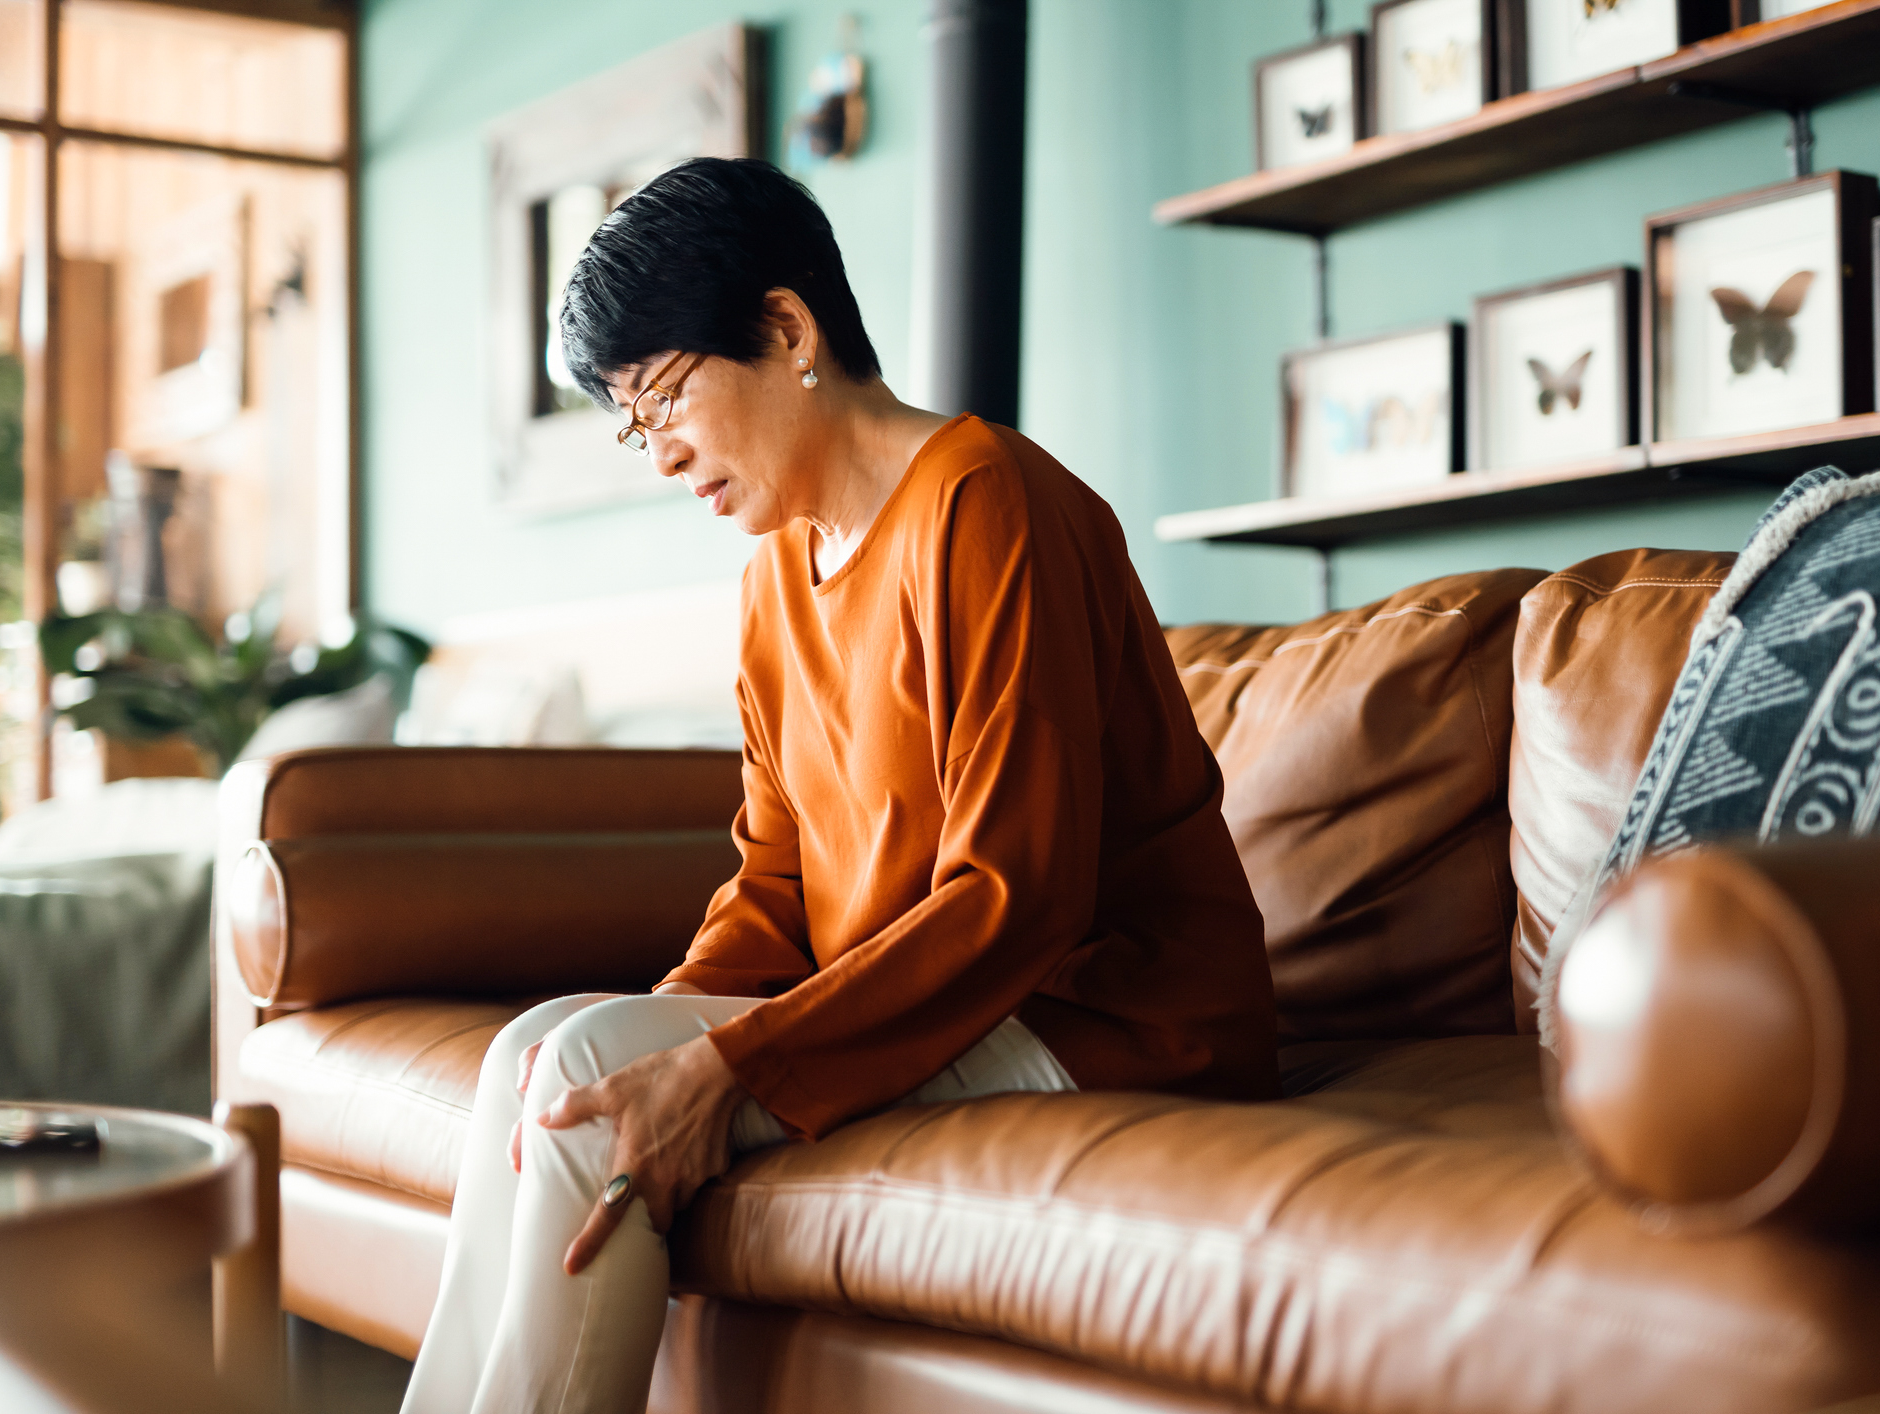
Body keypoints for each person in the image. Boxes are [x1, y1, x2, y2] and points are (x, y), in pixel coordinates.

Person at [399, 157, 1277, 1414]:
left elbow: (1016, 896)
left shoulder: (990, 501)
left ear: (786, 329)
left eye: (662, 398)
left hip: (1108, 1017)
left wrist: (727, 1069)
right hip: (939, 1006)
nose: (656, 454)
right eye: (630, 422)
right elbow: (774, 879)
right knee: (543, 1060)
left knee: (586, 1068)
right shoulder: (773, 573)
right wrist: (673, 1033)